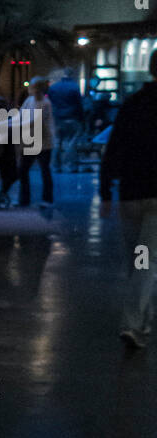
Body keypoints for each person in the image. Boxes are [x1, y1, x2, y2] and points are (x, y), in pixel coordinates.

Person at [99, 48, 157, 349]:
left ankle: (141, 322)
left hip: (131, 194)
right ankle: (135, 324)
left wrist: (106, 191)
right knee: (147, 264)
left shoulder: (132, 105)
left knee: (138, 262)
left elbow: (114, 147)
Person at [18, 77, 55, 208]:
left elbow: (33, 121)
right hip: (33, 140)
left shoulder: (45, 103)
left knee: (44, 170)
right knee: (25, 170)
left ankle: (46, 199)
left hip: (43, 142)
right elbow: (20, 116)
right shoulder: (29, 101)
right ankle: (25, 199)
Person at [48, 68, 84, 173]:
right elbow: (79, 105)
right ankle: (71, 166)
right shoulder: (75, 87)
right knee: (71, 142)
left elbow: (50, 103)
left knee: (57, 142)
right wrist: (82, 119)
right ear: (72, 74)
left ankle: (56, 166)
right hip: (72, 118)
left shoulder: (54, 87)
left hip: (57, 118)